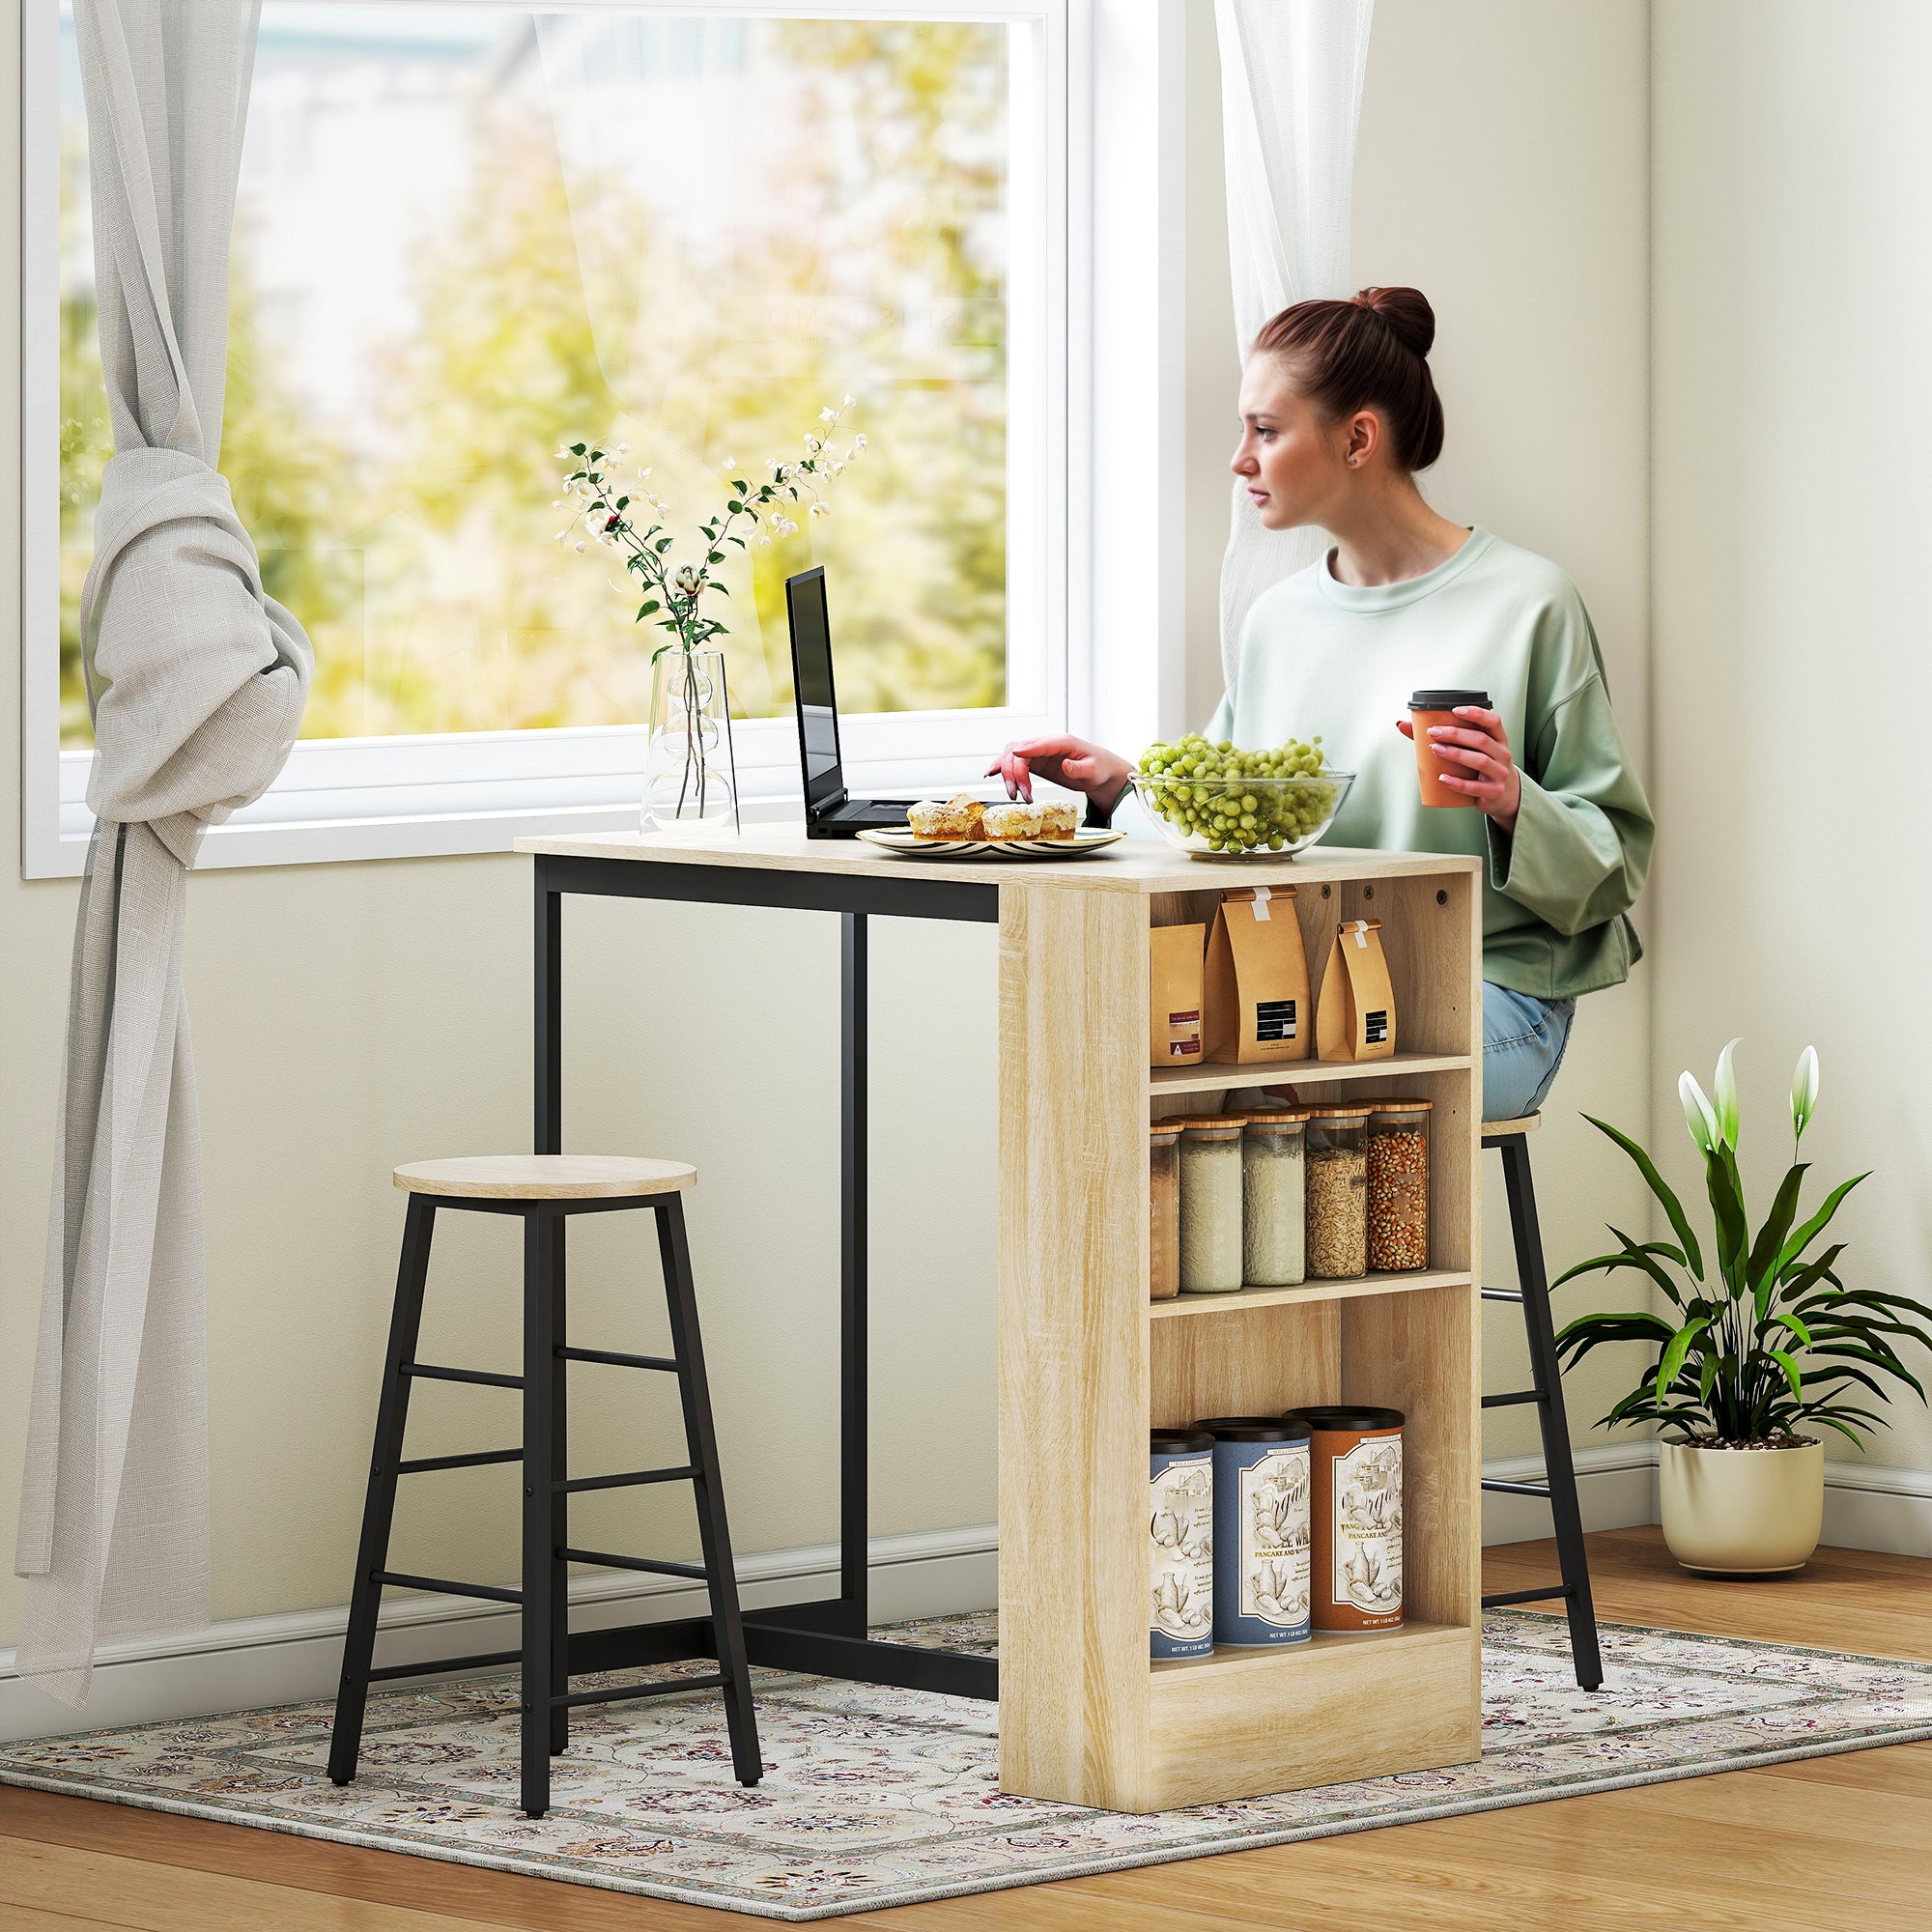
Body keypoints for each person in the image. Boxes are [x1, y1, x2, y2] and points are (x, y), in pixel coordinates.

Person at [988, 287, 1653, 1122]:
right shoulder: (1281, 621)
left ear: (1358, 438)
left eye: (1265, 431)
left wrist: (1515, 802)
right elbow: (1238, 821)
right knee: (1117, 1049)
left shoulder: (1528, 605)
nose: (1240, 459)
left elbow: (1617, 863)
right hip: (1307, 994)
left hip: (1487, 998)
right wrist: (1120, 787)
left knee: (1275, 1081)